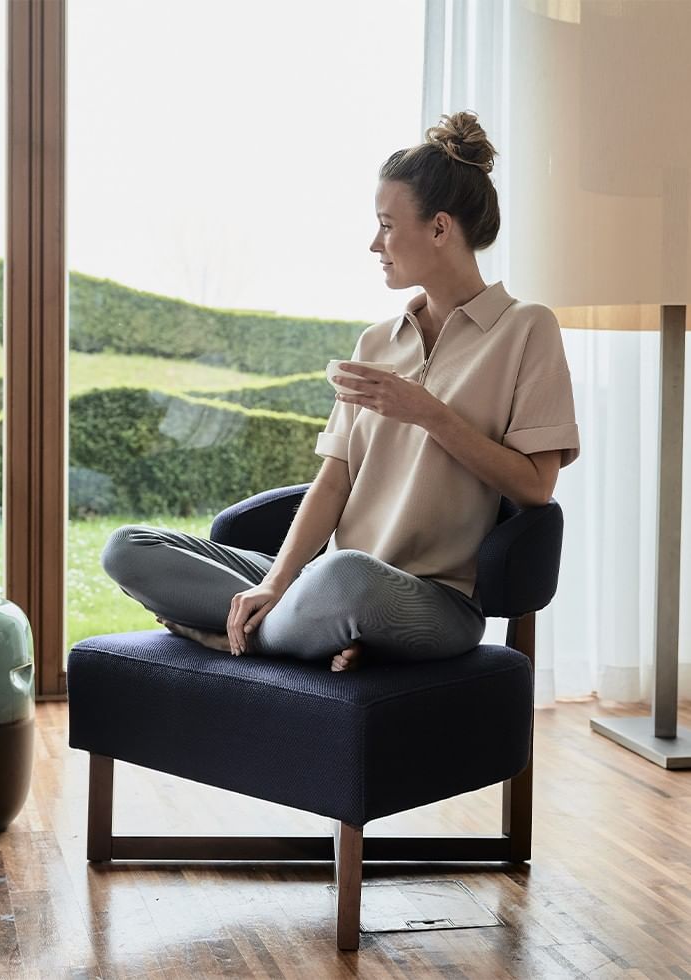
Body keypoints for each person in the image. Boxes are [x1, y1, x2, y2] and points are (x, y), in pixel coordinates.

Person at [101, 110, 580, 672]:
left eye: (386, 224)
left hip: (428, 600)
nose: (374, 243)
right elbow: (335, 481)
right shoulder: (376, 341)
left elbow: (534, 489)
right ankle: (297, 626)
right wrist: (277, 583)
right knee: (129, 548)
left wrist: (429, 414)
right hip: (322, 582)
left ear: (440, 228)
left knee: (346, 575)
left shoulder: (526, 328)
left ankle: (249, 639)